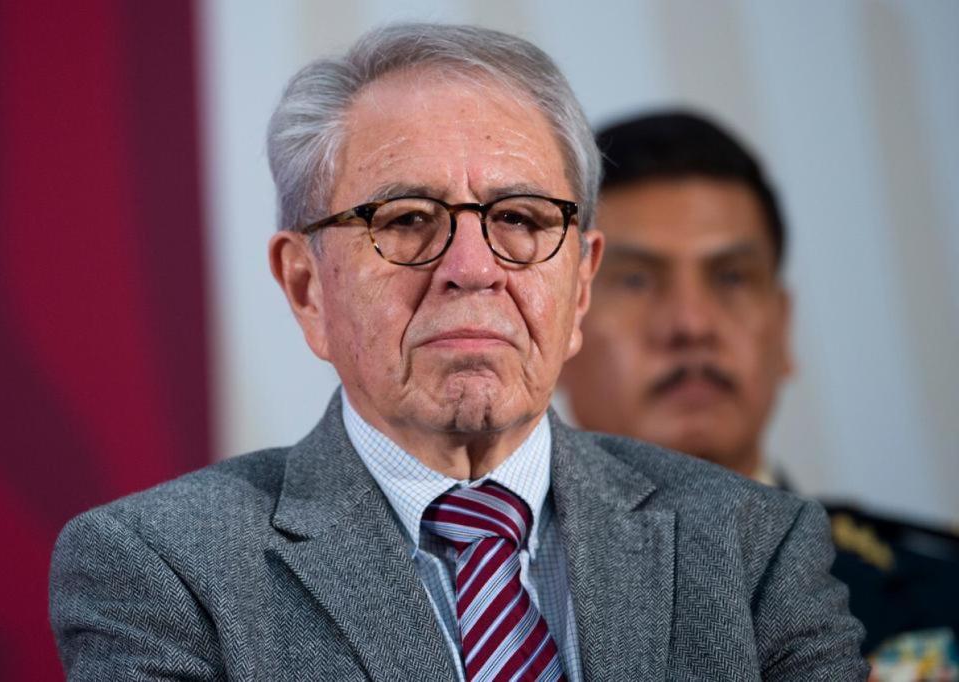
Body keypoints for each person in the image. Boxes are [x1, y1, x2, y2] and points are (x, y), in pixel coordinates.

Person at [49, 26, 867, 680]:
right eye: (406, 219)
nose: (472, 269)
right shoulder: (164, 570)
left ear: (580, 283)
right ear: (306, 287)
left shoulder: (753, 545)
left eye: (520, 218)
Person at [560, 110, 959, 664]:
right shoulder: (492, 610)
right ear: (560, 326)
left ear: (783, 328)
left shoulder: (942, 591)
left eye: (732, 277)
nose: (692, 324)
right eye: (634, 280)